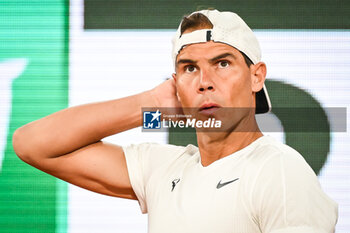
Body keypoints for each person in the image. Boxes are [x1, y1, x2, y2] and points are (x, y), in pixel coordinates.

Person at [13, 9, 337, 233]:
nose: (205, 81)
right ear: (175, 83)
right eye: (189, 68)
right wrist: (152, 104)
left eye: (222, 63)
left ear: (256, 77)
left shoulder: (279, 171)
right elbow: (32, 144)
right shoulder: (164, 167)